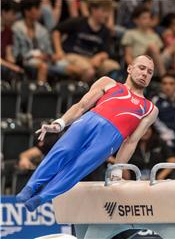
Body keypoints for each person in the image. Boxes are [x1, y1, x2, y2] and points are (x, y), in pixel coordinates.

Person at [16, 55, 159, 211]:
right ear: (130, 68)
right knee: (62, 151)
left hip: (111, 138)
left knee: (78, 168)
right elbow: (82, 106)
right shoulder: (108, 83)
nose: (145, 74)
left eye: (150, 72)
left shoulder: (150, 108)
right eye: (142, 68)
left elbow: (131, 141)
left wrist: (118, 167)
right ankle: (30, 187)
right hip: (89, 121)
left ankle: (41, 197)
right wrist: (61, 123)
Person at [52, 0, 120, 82]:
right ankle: (82, 92)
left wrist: (99, 57)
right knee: (89, 70)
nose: (106, 15)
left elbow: (105, 51)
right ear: (94, 10)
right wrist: (59, 51)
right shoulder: (78, 22)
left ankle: (109, 92)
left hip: (91, 58)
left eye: (108, 12)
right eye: (103, 11)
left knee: (114, 67)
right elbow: (56, 31)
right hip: (73, 55)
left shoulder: (105, 30)